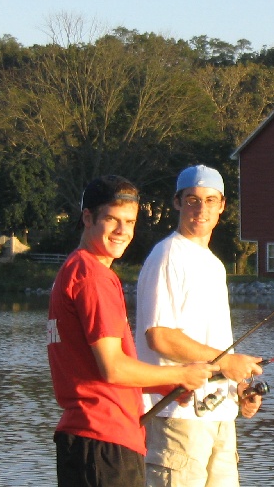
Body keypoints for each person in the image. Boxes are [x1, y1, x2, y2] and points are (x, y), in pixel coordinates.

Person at [47, 174, 217, 487]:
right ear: (88, 218)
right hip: (103, 442)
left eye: (130, 221)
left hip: (90, 438)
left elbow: (96, 370)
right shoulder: (94, 277)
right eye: (112, 220)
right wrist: (179, 374)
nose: (123, 231)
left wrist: (161, 386)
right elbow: (113, 368)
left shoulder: (73, 268)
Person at [136, 165, 264, 487]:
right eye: (192, 199)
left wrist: (238, 388)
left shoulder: (214, 264)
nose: (201, 209)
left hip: (220, 415)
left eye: (210, 200)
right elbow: (160, 337)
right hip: (177, 416)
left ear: (222, 206)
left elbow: (214, 340)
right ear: (177, 203)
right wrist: (226, 362)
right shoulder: (167, 255)